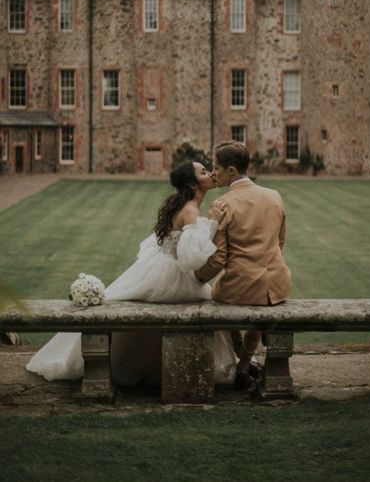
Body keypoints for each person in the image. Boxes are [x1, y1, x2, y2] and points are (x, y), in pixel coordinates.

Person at [26, 161, 236, 386]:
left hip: (160, 267)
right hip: (172, 275)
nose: (210, 173)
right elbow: (192, 257)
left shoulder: (184, 204)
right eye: (203, 172)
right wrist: (213, 221)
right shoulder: (191, 209)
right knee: (207, 302)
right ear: (193, 184)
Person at [195, 141, 291, 389]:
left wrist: (196, 277)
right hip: (276, 284)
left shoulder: (223, 205)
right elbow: (280, 242)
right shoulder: (274, 196)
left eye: (216, 168)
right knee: (261, 306)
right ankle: (245, 360)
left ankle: (242, 355)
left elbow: (218, 259)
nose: (213, 172)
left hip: (239, 285)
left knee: (215, 298)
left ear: (232, 171)